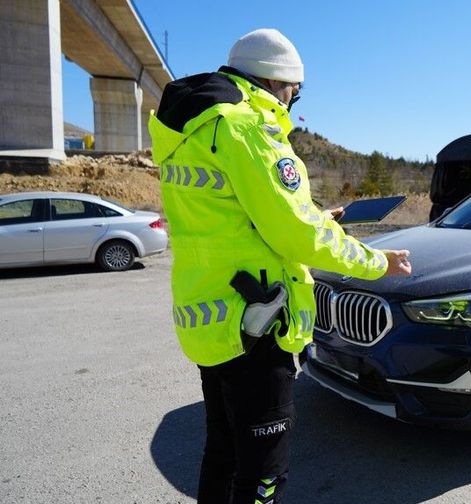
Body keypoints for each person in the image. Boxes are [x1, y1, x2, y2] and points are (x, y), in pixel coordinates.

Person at [148, 28, 411, 504]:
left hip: (212, 320)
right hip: (255, 326)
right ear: (276, 81)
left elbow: (235, 219)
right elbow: (296, 236)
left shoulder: (192, 128)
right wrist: (377, 262)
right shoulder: (247, 127)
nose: (292, 99)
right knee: (263, 473)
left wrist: (314, 215)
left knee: (223, 451)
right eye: (294, 90)